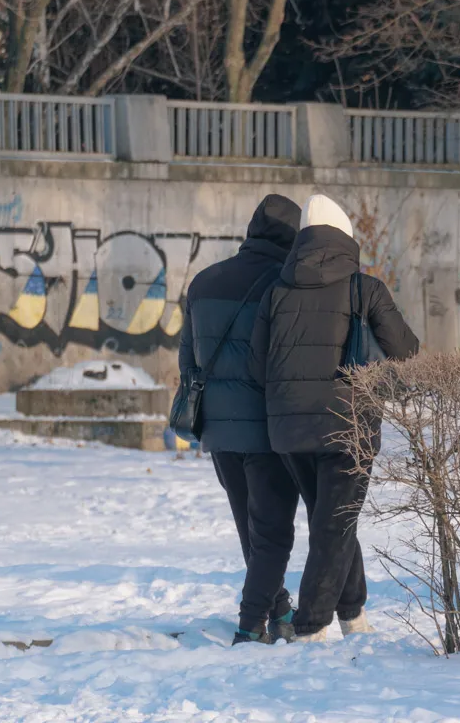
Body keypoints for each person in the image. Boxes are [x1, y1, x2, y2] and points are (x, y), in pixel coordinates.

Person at [249, 194, 419, 642]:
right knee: (334, 524)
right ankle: (311, 625)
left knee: (330, 521)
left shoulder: (276, 291)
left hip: (287, 430)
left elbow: (256, 365)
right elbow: (407, 351)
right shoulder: (365, 288)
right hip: (349, 425)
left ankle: (353, 612)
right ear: (346, 237)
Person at [178, 193, 302, 645]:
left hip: (218, 429)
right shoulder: (286, 284)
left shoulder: (204, 282)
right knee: (271, 533)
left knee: (250, 528)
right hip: (267, 428)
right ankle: (251, 626)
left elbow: (188, 360)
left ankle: (280, 607)